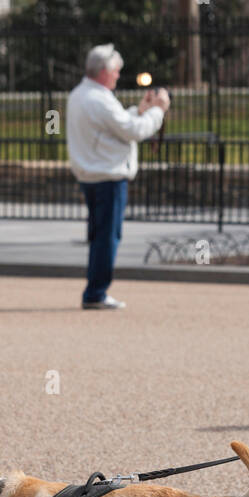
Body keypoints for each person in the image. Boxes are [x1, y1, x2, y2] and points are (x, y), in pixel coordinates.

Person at [66, 43, 169, 310]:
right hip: (107, 176)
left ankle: (95, 290)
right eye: (115, 70)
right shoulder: (97, 98)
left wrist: (140, 110)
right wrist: (158, 111)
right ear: (103, 71)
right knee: (107, 237)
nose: (118, 75)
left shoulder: (81, 94)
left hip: (91, 173)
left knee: (100, 235)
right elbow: (132, 131)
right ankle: (96, 293)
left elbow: (117, 125)